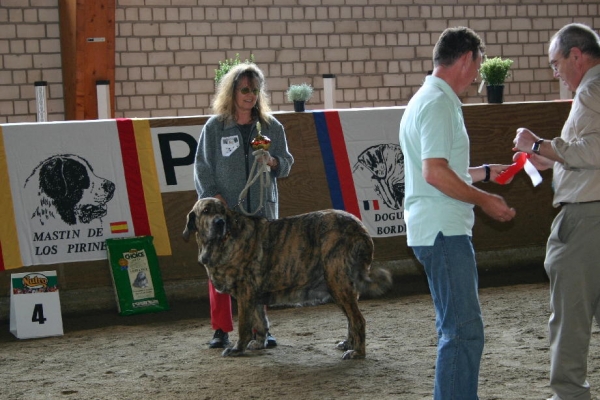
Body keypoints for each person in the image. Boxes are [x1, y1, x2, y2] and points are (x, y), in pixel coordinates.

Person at [399, 26, 517, 399]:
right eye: (478, 65)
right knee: (463, 331)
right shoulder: (437, 102)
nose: (479, 74)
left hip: (436, 227)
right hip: (442, 229)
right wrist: (483, 199)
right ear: (466, 58)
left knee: (457, 329)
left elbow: (438, 167)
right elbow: (434, 173)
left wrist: (483, 173)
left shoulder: (429, 98)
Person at [512, 23, 600, 400]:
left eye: (555, 63)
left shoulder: (591, 90)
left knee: (569, 313)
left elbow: (594, 151)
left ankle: (569, 394)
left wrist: (541, 144)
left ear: (575, 56)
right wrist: (548, 157)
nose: (555, 73)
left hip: (586, 219)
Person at [194, 62, 294, 349]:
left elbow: (286, 164)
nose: (250, 95)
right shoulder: (215, 127)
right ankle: (221, 330)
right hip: (224, 215)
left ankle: (260, 327)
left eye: (255, 90)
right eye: (244, 90)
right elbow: (202, 166)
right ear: (233, 92)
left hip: (261, 212)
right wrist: (213, 198)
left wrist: (274, 162)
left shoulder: (271, 126)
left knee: (260, 269)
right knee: (219, 266)